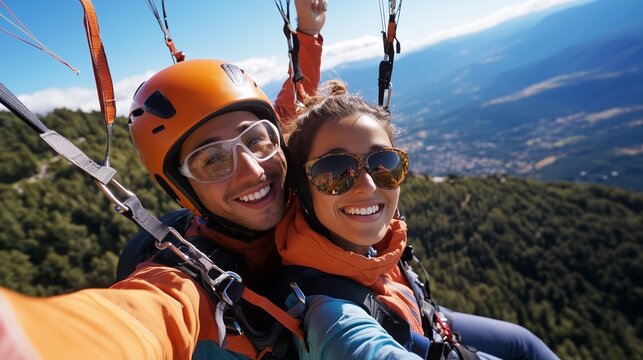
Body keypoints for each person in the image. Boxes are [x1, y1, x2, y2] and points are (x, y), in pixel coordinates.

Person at [0, 1, 327, 359]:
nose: (252, 169)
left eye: (255, 138)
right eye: (212, 160)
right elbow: (133, 322)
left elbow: (291, 107)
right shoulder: (182, 285)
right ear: (180, 189)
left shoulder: (287, 169)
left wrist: (307, 34)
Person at [274, 79, 558, 360]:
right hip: (415, 326)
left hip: (420, 317)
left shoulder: (365, 245)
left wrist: (308, 36)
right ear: (301, 187)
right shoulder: (330, 319)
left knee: (523, 344)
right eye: (335, 171)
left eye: (383, 164)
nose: (369, 186)